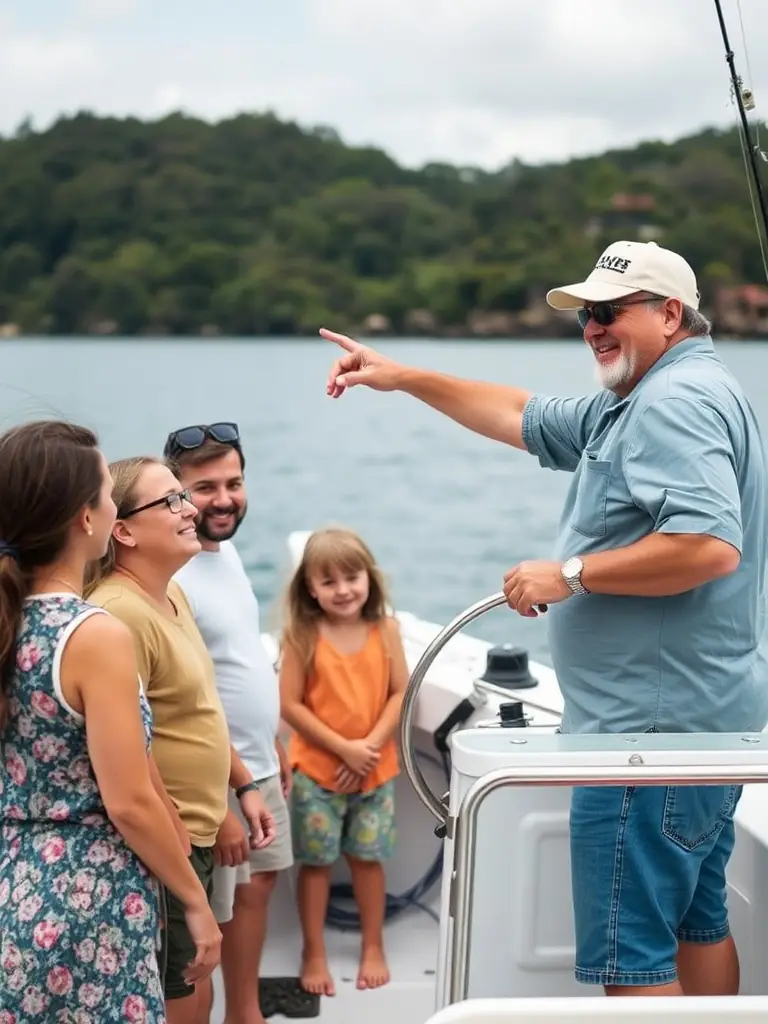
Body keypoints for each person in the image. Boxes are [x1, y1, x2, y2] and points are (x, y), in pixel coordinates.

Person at [319, 239, 768, 999]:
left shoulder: (670, 404)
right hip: (707, 721)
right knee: (698, 921)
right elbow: (519, 413)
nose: (592, 328)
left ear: (669, 314)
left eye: (609, 311)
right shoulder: (658, 392)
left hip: (644, 739)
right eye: (585, 315)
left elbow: (707, 546)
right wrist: (401, 376)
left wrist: (569, 574)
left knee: (633, 956)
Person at [0, 421, 221, 1024]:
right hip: (89, 899)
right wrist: (194, 901)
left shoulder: (12, 622)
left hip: (14, 883)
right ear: (86, 518)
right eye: (104, 492)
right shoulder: (94, 635)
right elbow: (128, 801)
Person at [85, 455, 276, 1024]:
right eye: (171, 500)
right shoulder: (118, 615)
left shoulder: (171, 596)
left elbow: (198, 712)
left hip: (197, 831)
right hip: (169, 844)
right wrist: (192, 843)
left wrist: (242, 786)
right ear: (123, 531)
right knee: (180, 993)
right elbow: (132, 758)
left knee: (197, 982)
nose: (190, 508)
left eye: (182, 496)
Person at [164, 422, 295, 1024]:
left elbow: (240, 655)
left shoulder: (226, 551)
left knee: (256, 891)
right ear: (174, 493)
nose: (223, 500)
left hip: (259, 767)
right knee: (206, 929)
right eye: (205, 488)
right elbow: (178, 703)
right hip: (218, 783)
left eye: (234, 483)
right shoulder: (175, 575)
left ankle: (247, 1013)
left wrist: (274, 743)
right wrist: (223, 801)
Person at [279, 527, 408, 996]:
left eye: (352, 578)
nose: (343, 590)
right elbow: (290, 705)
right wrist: (344, 749)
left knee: (367, 861)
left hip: (375, 771)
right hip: (318, 775)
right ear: (310, 588)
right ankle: (313, 951)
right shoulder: (301, 635)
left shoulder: (386, 630)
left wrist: (368, 747)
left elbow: (400, 692)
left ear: (369, 578)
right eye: (328, 581)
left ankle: (373, 945)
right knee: (316, 864)